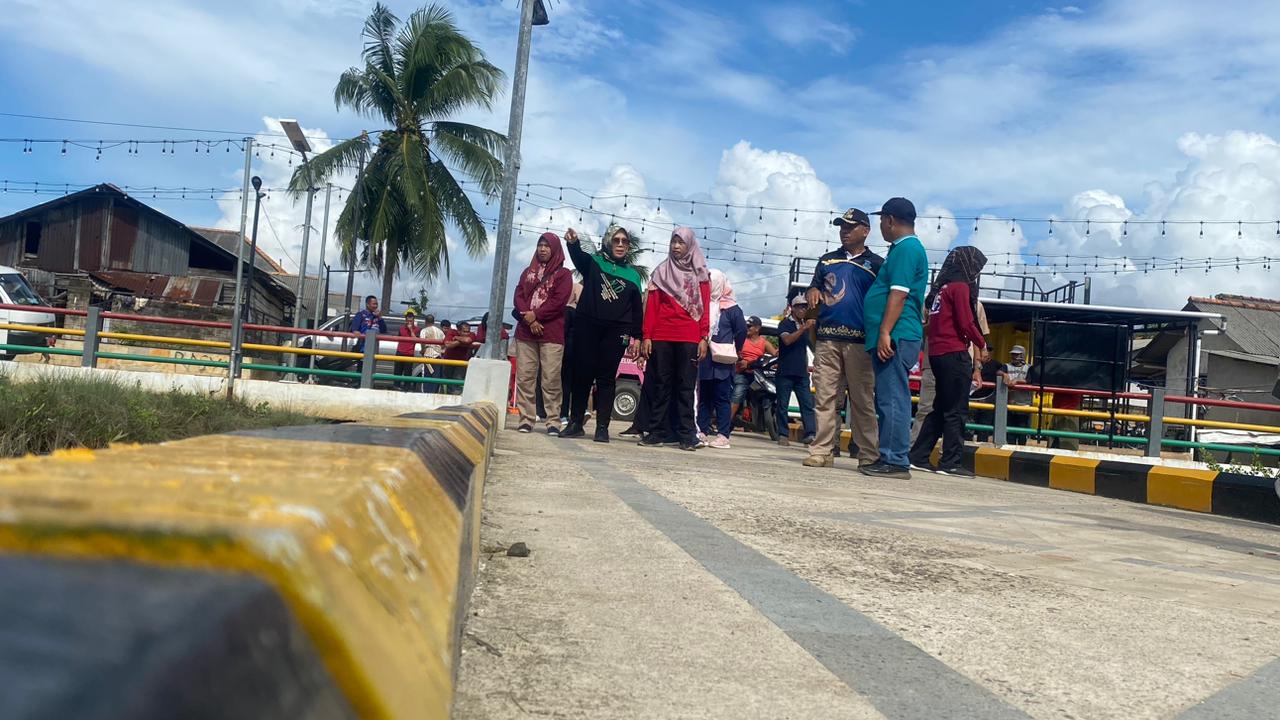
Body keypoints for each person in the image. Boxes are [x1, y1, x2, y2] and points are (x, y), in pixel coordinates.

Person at [803, 208, 884, 469]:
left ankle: (868, 453)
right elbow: (814, 285)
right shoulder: (826, 260)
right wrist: (813, 291)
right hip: (827, 338)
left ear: (865, 230)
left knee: (862, 400)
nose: (845, 232)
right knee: (825, 397)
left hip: (860, 341)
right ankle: (822, 450)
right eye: (842, 227)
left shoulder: (878, 264)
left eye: (850, 227)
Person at [861, 197, 929, 480]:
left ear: (889, 220)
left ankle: (896, 459)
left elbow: (898, 293)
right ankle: (891, 455)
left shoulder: (905, 249)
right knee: (889, 397)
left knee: (893, 398)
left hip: (897, 334)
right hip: (897, 333)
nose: (880, 226)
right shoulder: (903, 249)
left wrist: (885, 331)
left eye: (881, 220)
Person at [909, 246, 989, 476]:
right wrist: (981, 343)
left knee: (939, 407)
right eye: (976, 267)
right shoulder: (961, 288)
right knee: (956, 410)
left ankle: (919, 455)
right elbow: (966, 322)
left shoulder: (941, 290)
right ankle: (951, 462)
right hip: (955, 352)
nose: (976, 273)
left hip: (936, 353)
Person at [562, 225, 645, 442]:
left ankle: (602, 428)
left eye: (624, 242)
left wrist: (637, 337)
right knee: (582, 376)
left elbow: (637, 311)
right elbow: (579, 258)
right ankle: (575, 423)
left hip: (616, 331)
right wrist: (573, 243)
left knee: (607, 379)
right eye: (616, 240)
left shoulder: (633, 276)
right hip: (587, 326)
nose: (620, 244)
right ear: (609, 242)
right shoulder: (595, 263)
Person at [639, 227, 711, 451]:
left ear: (689, 245)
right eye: (674, 242)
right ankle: (657, 432)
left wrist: (703, 337)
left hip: (689, 336)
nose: (676, 246)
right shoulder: (661, 272)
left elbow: (705, 307)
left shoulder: (700, 273)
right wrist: (647, 336)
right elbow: (652, 307)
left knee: (686, 387)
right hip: (662, 336)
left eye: (681, 242)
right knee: (661, 385)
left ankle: (687, 435)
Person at [512, 232, 573, 435]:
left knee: (550, 379)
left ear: (555, 249)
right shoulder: (527, 272)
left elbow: (559, 302)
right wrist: (530, 320)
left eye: (547, 246)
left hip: (552, 334)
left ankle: (553, 420)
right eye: (540, 245)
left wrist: (535, 316)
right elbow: (519, 296)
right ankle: (526, 419)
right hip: (526, 333)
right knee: (526, 377)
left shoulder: (564, 275)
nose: (543, 249)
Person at [912, 299, 989, 444]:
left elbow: (977, 335)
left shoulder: (974, 304)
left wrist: (977, 369)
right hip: (933, 362)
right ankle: (914, 450)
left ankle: (947, 456)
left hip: (962, 364)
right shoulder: (932, 301)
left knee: (955, 412)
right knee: (925, 408)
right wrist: (941, 322)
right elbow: (921, 330)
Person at [697, 269, 747, 449]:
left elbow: (741, 331)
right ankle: (702, 431)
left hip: (723, 361)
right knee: (704, 397)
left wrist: (736, 348)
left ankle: (723, 435)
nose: (710, 286)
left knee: (722, 398)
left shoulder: (732, 309)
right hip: (705, 358)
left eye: (712, 282)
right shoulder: (702, 305)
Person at [777, 295, 817, 446]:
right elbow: (787, 340)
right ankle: (783, 434)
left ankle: (810, 434)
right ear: (792, 308)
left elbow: (808, 348)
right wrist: (803, 329)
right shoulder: (785, 324)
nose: (803, 309)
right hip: (785, 371)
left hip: (801, 373)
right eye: (800, 306)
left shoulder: (806, 326)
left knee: (807, 404)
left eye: (805, 307)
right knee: (782, 405)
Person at [730, 316, 771, 425]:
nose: (746, 328)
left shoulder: (764, 343)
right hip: (742, 373)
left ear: (757, 328)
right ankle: (725, 422)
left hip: (758, 374)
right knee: (738, 392)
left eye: (749, 326)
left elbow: (774, 354)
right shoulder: (741, 340)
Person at [558, 283, 583, 426]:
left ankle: (561, 413)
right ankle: (572, 413)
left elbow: (563, 333)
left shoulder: (566, 311)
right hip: (577, 353)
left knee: (563, 384)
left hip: (564, 352)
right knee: (573, 385)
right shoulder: (581, 313)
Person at [1003, 345, 1033, 445]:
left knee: (1022, 430)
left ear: (1022, 355)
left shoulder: (1029, 368)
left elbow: (1030, 380)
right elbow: (998, 372)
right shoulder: (1007, 366)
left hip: (1023, 404)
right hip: (1010, 403)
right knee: (1010, 429)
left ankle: (1021, 450)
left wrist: (1017, 381)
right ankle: (1010, 448)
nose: (1014, 357)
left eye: (1017, 355)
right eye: (1013, 354)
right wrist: (1004, 375)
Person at [441, 321, 476, 395]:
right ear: (459, 331)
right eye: (464, 332)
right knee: (447, 383)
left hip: (461, 363)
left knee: (458, 383)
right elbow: (448, 345)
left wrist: (457, 339)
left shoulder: (471, 334)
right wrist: (462, 341)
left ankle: (456, 401)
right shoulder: (452, 332)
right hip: (448, 361)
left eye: (468, 332)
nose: (467, 334)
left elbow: (468, 340)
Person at [394, 308, 421, 392]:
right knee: (397, 371)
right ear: (405, 320)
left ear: (413, 320)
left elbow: (416, 339)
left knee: (407, 373)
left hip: (409, 353)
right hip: (399, 352)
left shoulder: (417, 329)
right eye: (408, 320)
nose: (409, 322)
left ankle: (406, 388)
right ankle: (396, 386)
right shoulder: (401, 328)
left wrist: (411, 330)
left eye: (411, 320)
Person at [419, 313, 446, 394]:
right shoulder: (440, 332)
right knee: (436, 378)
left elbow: (422, 341)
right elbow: (445, 343)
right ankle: (434, 394)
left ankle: (427, 395)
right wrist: (441, 350)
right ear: (433, 321)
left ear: (425, 322)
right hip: (438, 357)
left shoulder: (424, 330)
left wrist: (423, 350)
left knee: (427, 377)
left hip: (428, 356)